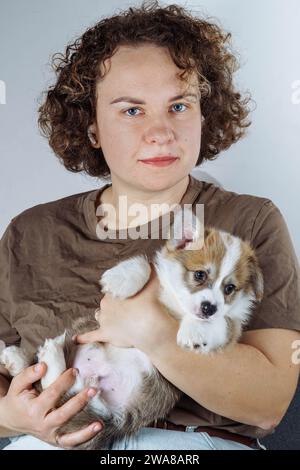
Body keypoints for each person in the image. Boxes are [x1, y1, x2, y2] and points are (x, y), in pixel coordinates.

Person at [0, 1, 300, 451]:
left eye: (179, 105)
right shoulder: (30, 232)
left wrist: (154, 333)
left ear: (205, 112)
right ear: (91, 127)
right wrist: (7, 417)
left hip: (191, 447)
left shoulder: (248, 222)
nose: (161, 132)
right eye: (132, 110)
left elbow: (270, 404)